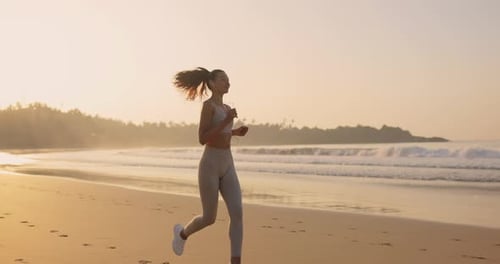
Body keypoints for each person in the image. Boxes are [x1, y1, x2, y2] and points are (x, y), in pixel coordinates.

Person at [171, 67, 248, 264]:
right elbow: (203, 138)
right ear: (212, 83)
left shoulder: (225, 108)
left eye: (228, 80)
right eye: (223, 79)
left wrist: (235, 132)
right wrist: (227, 122)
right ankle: (182, 234)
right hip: (210, 165)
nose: (227, 83)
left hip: (227, 163)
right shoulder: (209, 106)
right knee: (209, 218)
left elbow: (222, 133)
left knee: (238, 214)